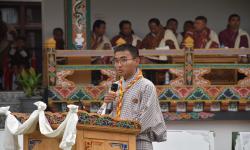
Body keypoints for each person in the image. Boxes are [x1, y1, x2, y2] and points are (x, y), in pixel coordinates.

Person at [104, 44, 167, 150]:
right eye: (116, 61)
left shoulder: (146, 86)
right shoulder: (115, 86)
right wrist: (105, 105)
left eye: (123, 60)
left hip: (139, 141)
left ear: (137, 61)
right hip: (116, 141)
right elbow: (105, 117)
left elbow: (146, 119)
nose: (119, 65)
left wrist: (122, 129)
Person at [141, 18, 169, 85]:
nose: (152, 29)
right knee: (143, 61)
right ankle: (149, 85)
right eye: (150, 27)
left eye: (154, 27)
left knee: (146, 62)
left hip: (165, 59)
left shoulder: (166, 33)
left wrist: (156, 51)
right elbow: (142, 47)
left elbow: (170, 46)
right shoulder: (148, 36)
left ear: (159, 26)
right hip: (152, 58)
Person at [91, 20, 112, 85]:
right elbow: (87, 51)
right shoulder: (88, 37)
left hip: (104, 60)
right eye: (103, 28)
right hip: (89, 60)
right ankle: (95, 82)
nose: (104, 30)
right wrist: (96, 43)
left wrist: (108, 49)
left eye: (104, 28)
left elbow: (111, 51)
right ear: (96, 28)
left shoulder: (105, 38)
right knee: (98, 62)